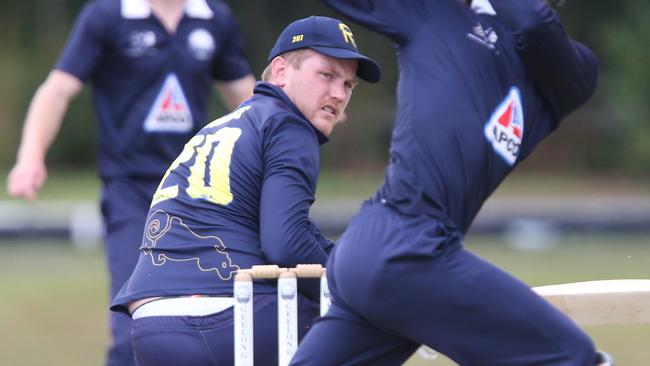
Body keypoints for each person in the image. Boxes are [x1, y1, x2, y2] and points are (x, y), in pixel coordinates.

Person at [291, 1, 612, 365]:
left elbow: (533, 21)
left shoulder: (571, 70)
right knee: (573, 357)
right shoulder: (436, 12)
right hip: (404, 242)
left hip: (395, 253)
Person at [110, 15, 380, 365]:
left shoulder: (225, 124)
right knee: (373, 321)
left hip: (150, 328)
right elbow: (287, 243)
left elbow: (287, 231)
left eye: (348, 85)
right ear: (281, 71)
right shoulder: (289, 126)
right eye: (327, 75)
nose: (338, 93)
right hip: (226, 318)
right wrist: (364, 291)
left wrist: (344, 262)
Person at [6, 0, 256, 365]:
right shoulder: (107, 16)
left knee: (208, 323)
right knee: (134, 333)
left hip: (198, 194)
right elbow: (57, 90)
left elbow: (248, 101)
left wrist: (297, 122)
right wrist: (30, 157)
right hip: (130, 193)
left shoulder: (214, 18)